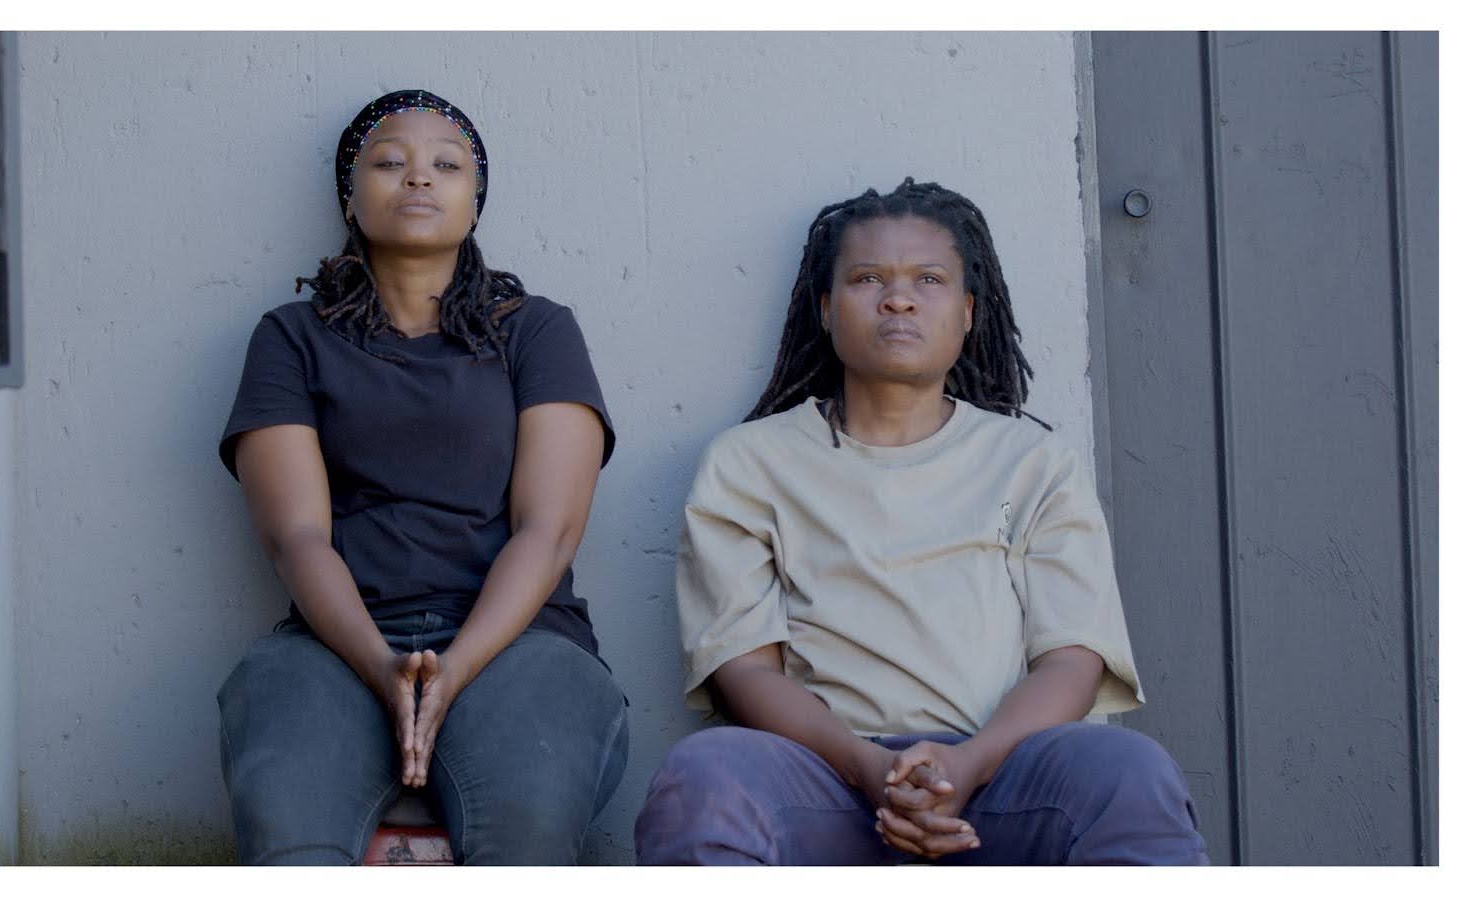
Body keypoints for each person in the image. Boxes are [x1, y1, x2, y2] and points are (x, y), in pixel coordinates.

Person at [634, 178, 1207, 865]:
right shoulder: (750, 463)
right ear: (824, 308)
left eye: (928, 279)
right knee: (703, 775)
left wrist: (968, 766)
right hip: (827, 781)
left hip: (1002, 778)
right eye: (866, 278)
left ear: (967, 312)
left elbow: (1072, 658)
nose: (898, 297)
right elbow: (746, 672)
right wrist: (863, 768)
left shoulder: (1032, 463)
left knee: (1128, 771)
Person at [215, 89, 628, 865]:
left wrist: (457, 668)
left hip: (521, 644)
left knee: (527, 829)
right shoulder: (291, 338)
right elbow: (295, 537)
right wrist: (379, 664)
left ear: (476, 200)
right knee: (288, 832)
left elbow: (549, 531)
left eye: (446, 164)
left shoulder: (537, 331)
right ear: (350, 193)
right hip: (334, 643)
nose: (418, 179)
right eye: (389, 162)